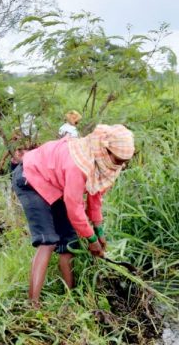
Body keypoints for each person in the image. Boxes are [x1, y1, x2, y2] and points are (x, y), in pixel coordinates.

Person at [12, 124, 134, 307]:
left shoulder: (103, 162)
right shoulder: (78, 164)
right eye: (118, 160)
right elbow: (74, 208)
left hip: (56, 184)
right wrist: (91, 240)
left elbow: (95, 197)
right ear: (106, 151)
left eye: (125, 162)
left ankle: (72, 297)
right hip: (31, 178)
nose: (121, 165)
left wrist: (99, 231)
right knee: (48, 241)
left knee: (69, 242)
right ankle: (32, 304)